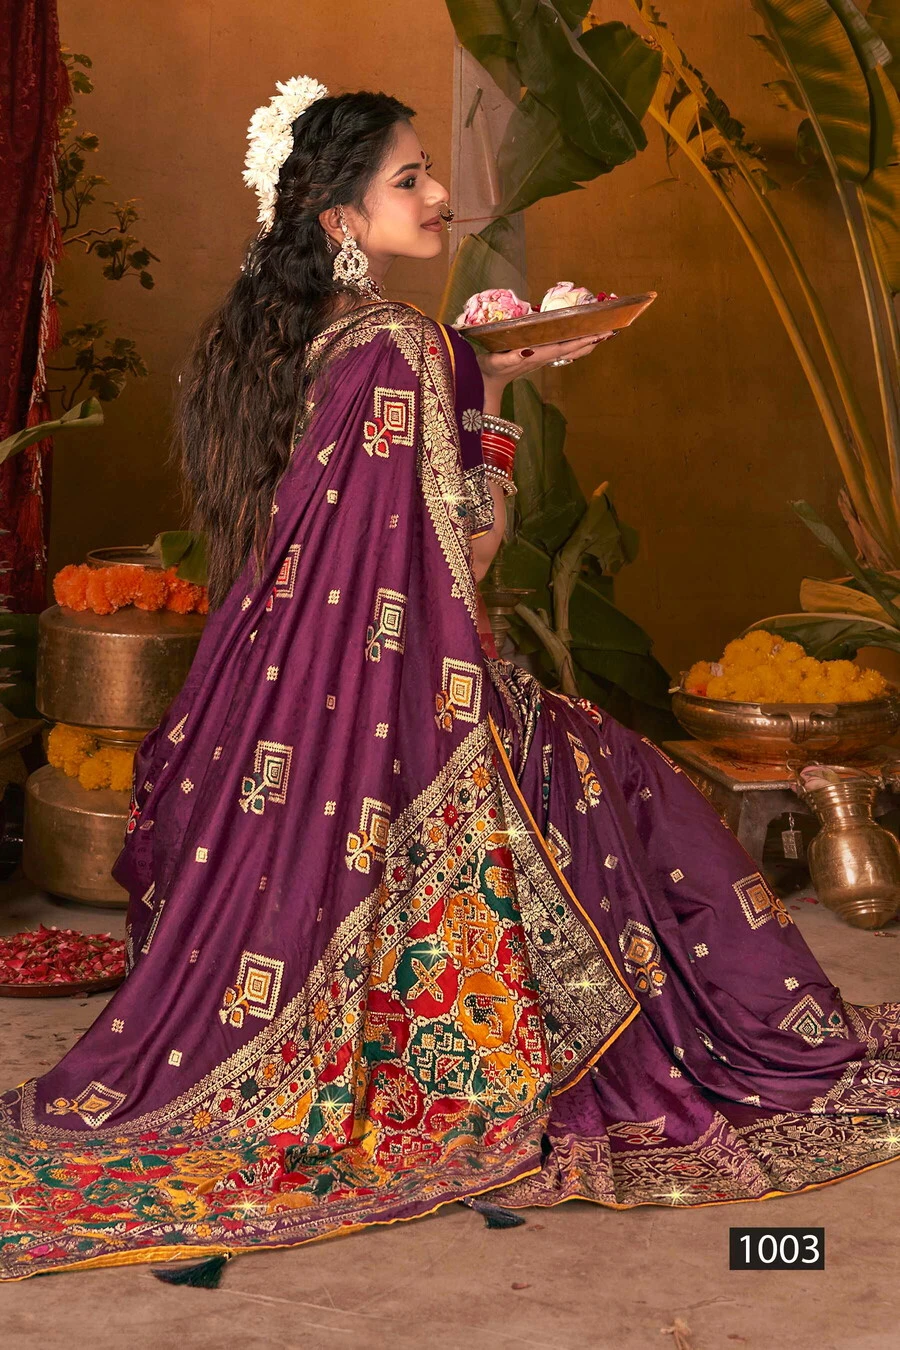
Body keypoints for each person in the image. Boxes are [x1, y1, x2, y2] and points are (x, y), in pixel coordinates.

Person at [3, 81, 900, 1285]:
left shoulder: (285, 342)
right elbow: (463, 556)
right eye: (409, 179)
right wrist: (502, 404)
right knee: (619, 779)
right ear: (340, 217)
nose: (437, 197)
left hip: (282, 717)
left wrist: (485, 375)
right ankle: (662, 1038)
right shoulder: (406, 346)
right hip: (414, 716)